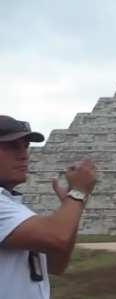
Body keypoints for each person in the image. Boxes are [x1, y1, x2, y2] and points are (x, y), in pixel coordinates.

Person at [0, 115, 97, 299]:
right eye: (12, 146)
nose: (24, 155)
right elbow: (57, 238)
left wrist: (73, 204)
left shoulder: (14, 206)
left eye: (25, 146)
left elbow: (56, 264)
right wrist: (77, 193)